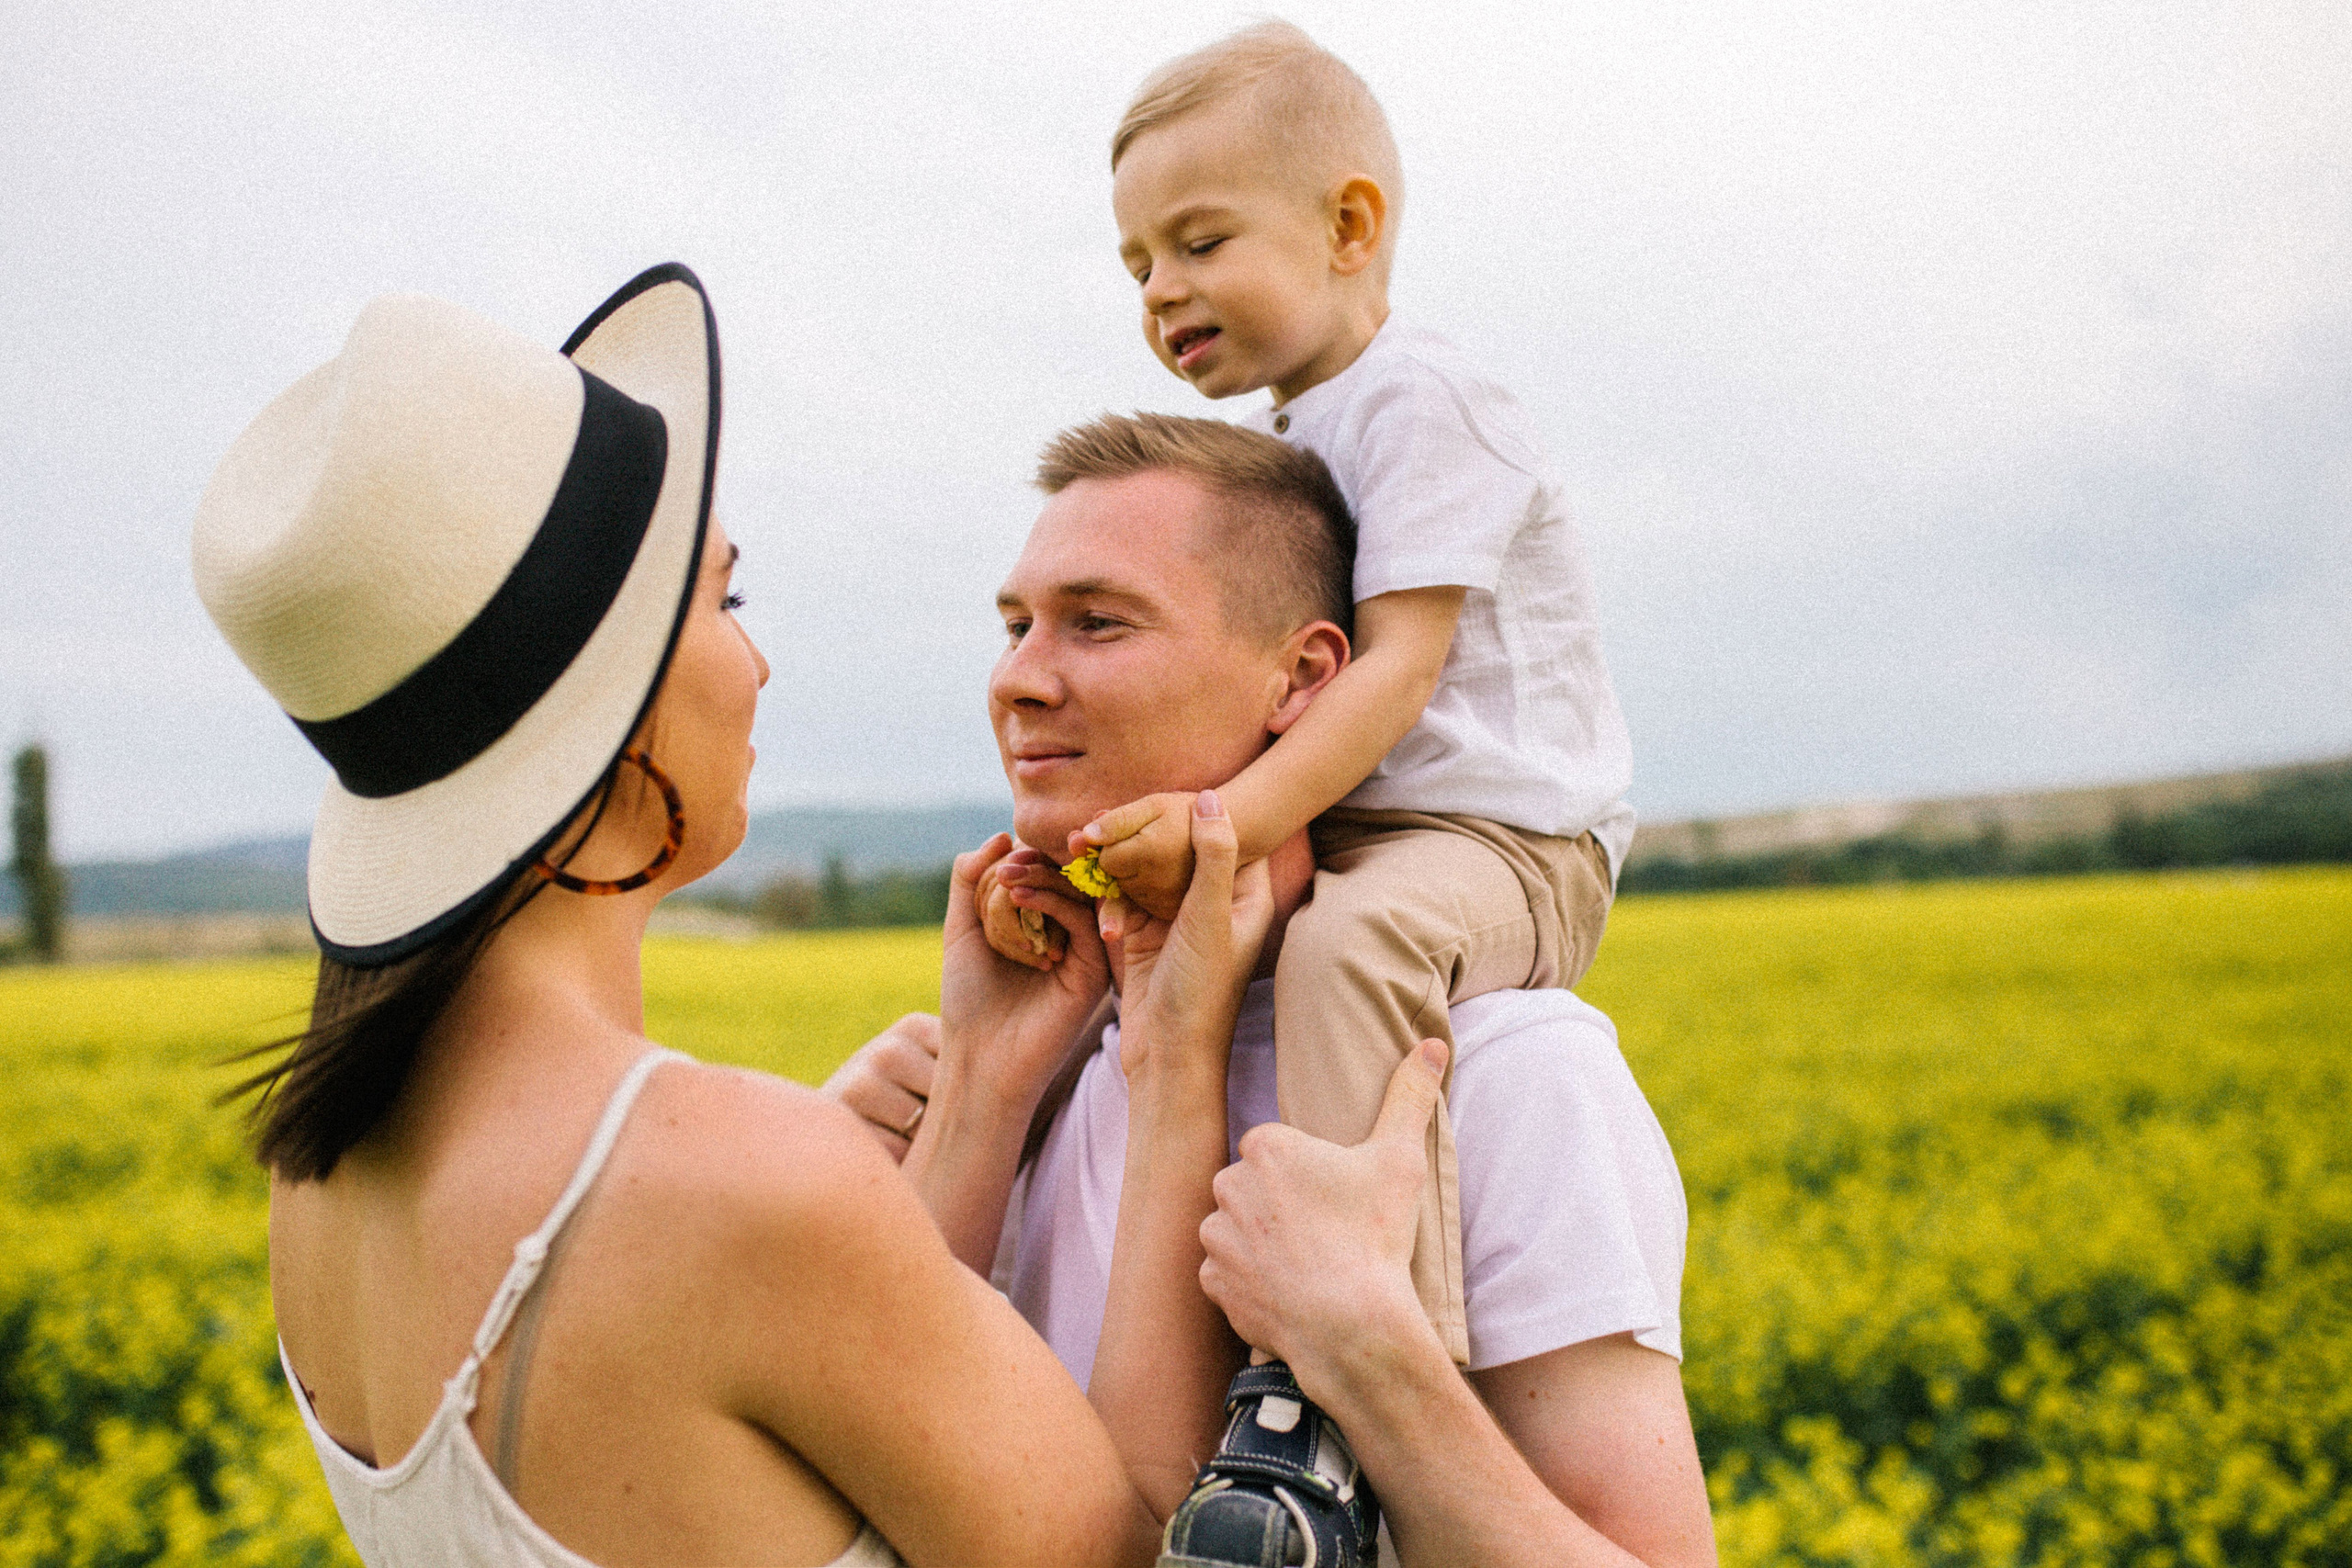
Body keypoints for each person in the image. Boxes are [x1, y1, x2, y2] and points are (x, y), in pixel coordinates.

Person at [194, 266, 1340, 1568]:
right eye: (727, 601)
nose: (759, 662)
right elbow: (1137, 1541)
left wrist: (981, 1085)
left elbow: (837, 1423)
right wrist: (1176, 1054)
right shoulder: (731, 1172)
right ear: (613, 703)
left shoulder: (323, 1169)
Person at [831, 414, 1714, 1567]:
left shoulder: (1498, 1072)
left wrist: (1372, 1353)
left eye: (1096, 623)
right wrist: (977, 1100)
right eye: (1013, 626)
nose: (1017, 681)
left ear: (1302, 678)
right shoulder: (1050, 1073)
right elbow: (877, 1498)